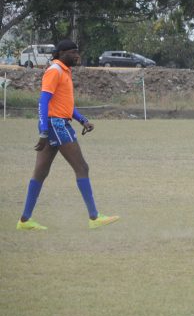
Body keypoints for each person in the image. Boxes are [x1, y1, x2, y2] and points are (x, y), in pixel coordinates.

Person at [16, 39, 119, 231]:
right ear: (61, 53)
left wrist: (82, 120)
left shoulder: (64, 71)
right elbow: (43, 102)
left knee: (40, 172)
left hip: (58, 123)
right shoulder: (54, 71)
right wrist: (43, 130)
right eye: (73, 52)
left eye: (77, 51)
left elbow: (65, 105)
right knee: (82, 167)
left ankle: (24, 220)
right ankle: (94, 217)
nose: (77, 55)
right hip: (56, 125)